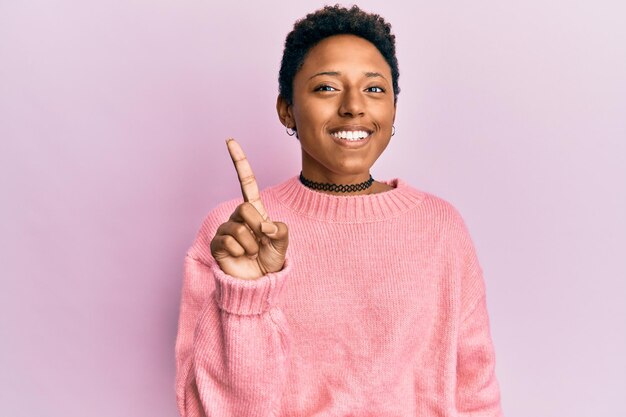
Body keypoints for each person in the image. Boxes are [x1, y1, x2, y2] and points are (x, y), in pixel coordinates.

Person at [175, 5, 503, 416]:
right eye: (327, 88)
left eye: (375, 89)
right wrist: (246, 297)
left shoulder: (441, 228)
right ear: (287, 109)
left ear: (394, 110)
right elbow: (205, 409)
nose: (353, 106)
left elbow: (476, 392)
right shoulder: (234, 237)